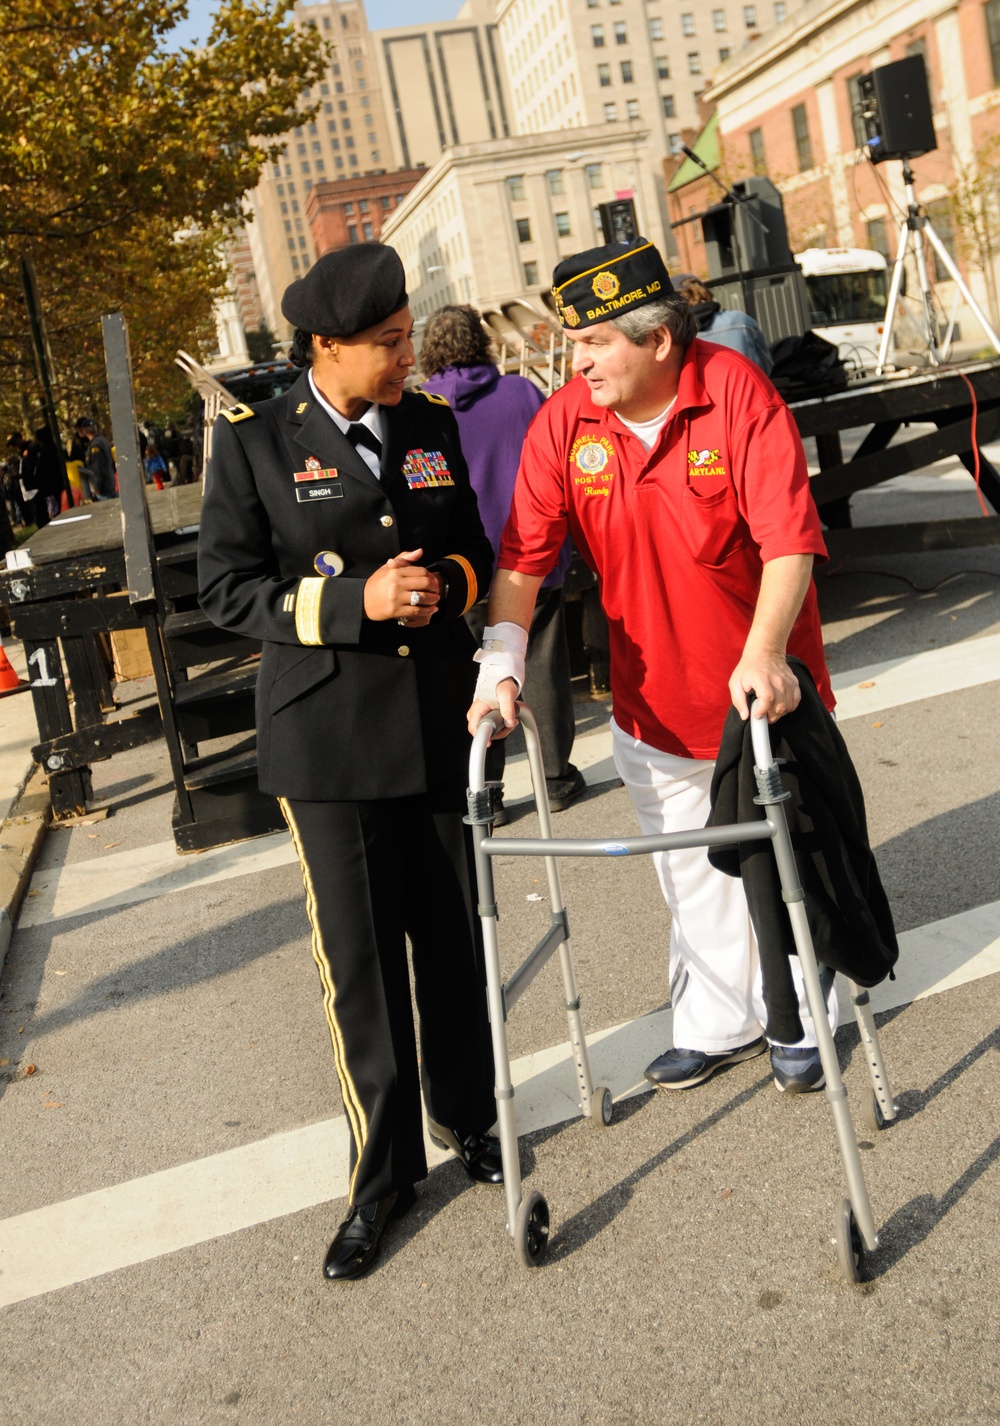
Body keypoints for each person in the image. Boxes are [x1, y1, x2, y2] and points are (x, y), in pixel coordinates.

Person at [469, 236, 837, 1096]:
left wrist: (767, 651)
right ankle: (718, 1021)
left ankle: (803, 1009)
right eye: (574, 344)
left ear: (660, 342)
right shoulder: (567, 421)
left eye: (595, 343)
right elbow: (524, 559)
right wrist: (502, 662)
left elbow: (790, 542)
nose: (578, 361)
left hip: (762, 695)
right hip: (652, 703)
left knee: (790, 859)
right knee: (687, 867)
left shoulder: (738, 395)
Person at [198, 244, 500, 1283]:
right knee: (361, 974)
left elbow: (475, 546)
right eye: (386, 343)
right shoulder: (252, 444)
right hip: (327, 746)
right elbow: (225, 591)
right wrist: (351, 604)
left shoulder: (429, 426)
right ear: (325, 349)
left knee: (454, 946)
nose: (406, 354)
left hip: (435, 721)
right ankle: (381, 1180)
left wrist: (447, 590)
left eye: (408, 334)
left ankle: (472, 1119)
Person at [420, 304, 584, 818]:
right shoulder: (520, 393)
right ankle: (554, 777)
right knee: (542, 663)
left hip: (462, 565)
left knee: (473, 678)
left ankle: (485, 793)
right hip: (531, 553)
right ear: (482, 342)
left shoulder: (421, 406)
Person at [675, 276, 774, 375]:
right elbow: (767, 366)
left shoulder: (677, 337)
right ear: (706, 293)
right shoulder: (739, 320)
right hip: (749, 386)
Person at [75, 417, 117, 500]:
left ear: (84, 431)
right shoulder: (102, 440)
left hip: (103, 488)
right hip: (109, 483)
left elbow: (97, 467)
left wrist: (96, 487)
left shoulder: (95, 445)